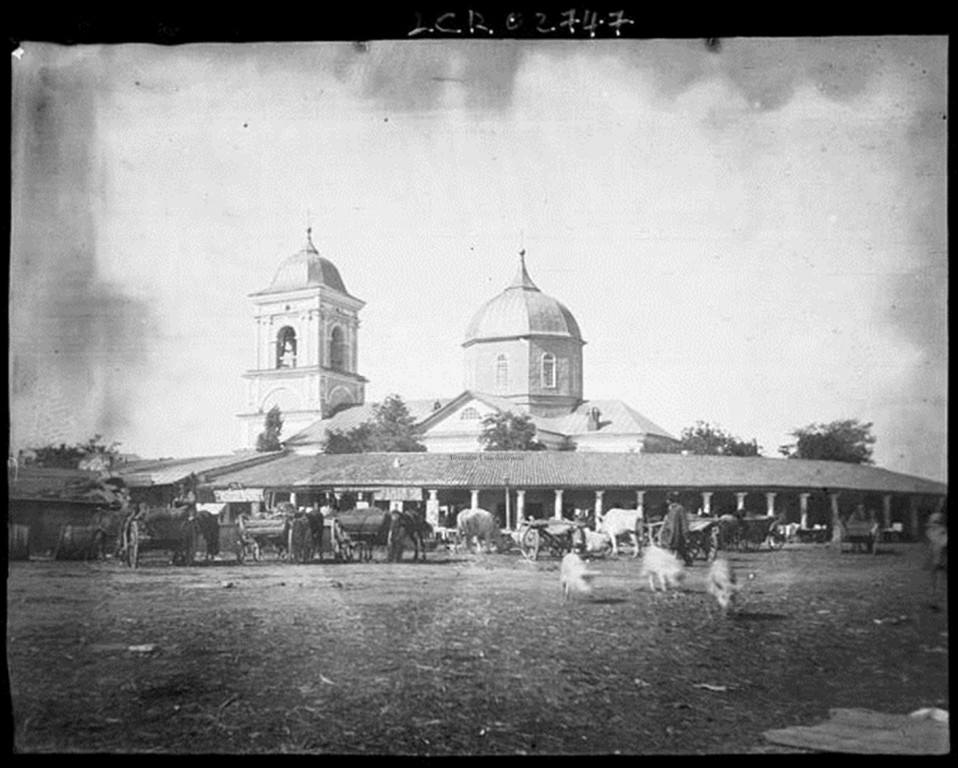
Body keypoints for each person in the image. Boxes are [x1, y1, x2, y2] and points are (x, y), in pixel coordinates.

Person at [925, 510, 947, 611]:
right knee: (934, 581)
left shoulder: (941, 532)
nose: (932, 524)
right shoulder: (932, 532)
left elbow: (942, 544)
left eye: (935, 522)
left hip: (941, 560)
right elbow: (932, 547)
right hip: (935, 559)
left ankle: (937, 602)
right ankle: (934, 601)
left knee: (940, 582)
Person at [660, 499, 692, 566]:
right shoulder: (671, 509)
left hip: (677, 532)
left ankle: (687, 561)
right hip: (670, 531)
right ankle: (670, 562)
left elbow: (683, 521)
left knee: (680, 547)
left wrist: (685, 532)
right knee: (673, 547)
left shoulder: (679, 508)